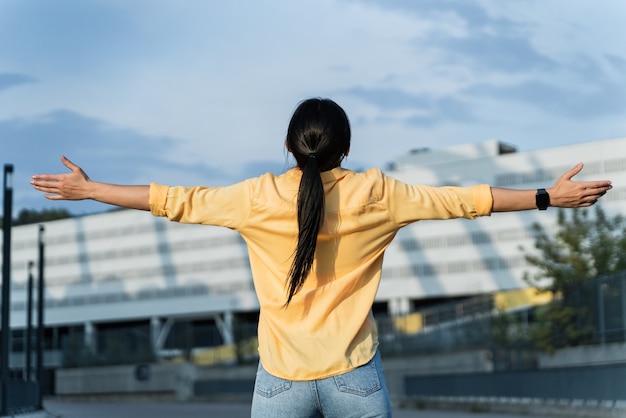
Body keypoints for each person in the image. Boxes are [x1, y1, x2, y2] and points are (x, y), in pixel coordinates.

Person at [31, 98, 612, 418]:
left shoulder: (257, 197)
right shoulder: (378, 193)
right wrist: (546, 196)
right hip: (355, 377)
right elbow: (467, 201)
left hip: (279, 380)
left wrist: (89, 190)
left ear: (287, 146)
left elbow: (173, 201)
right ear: (348, 149)